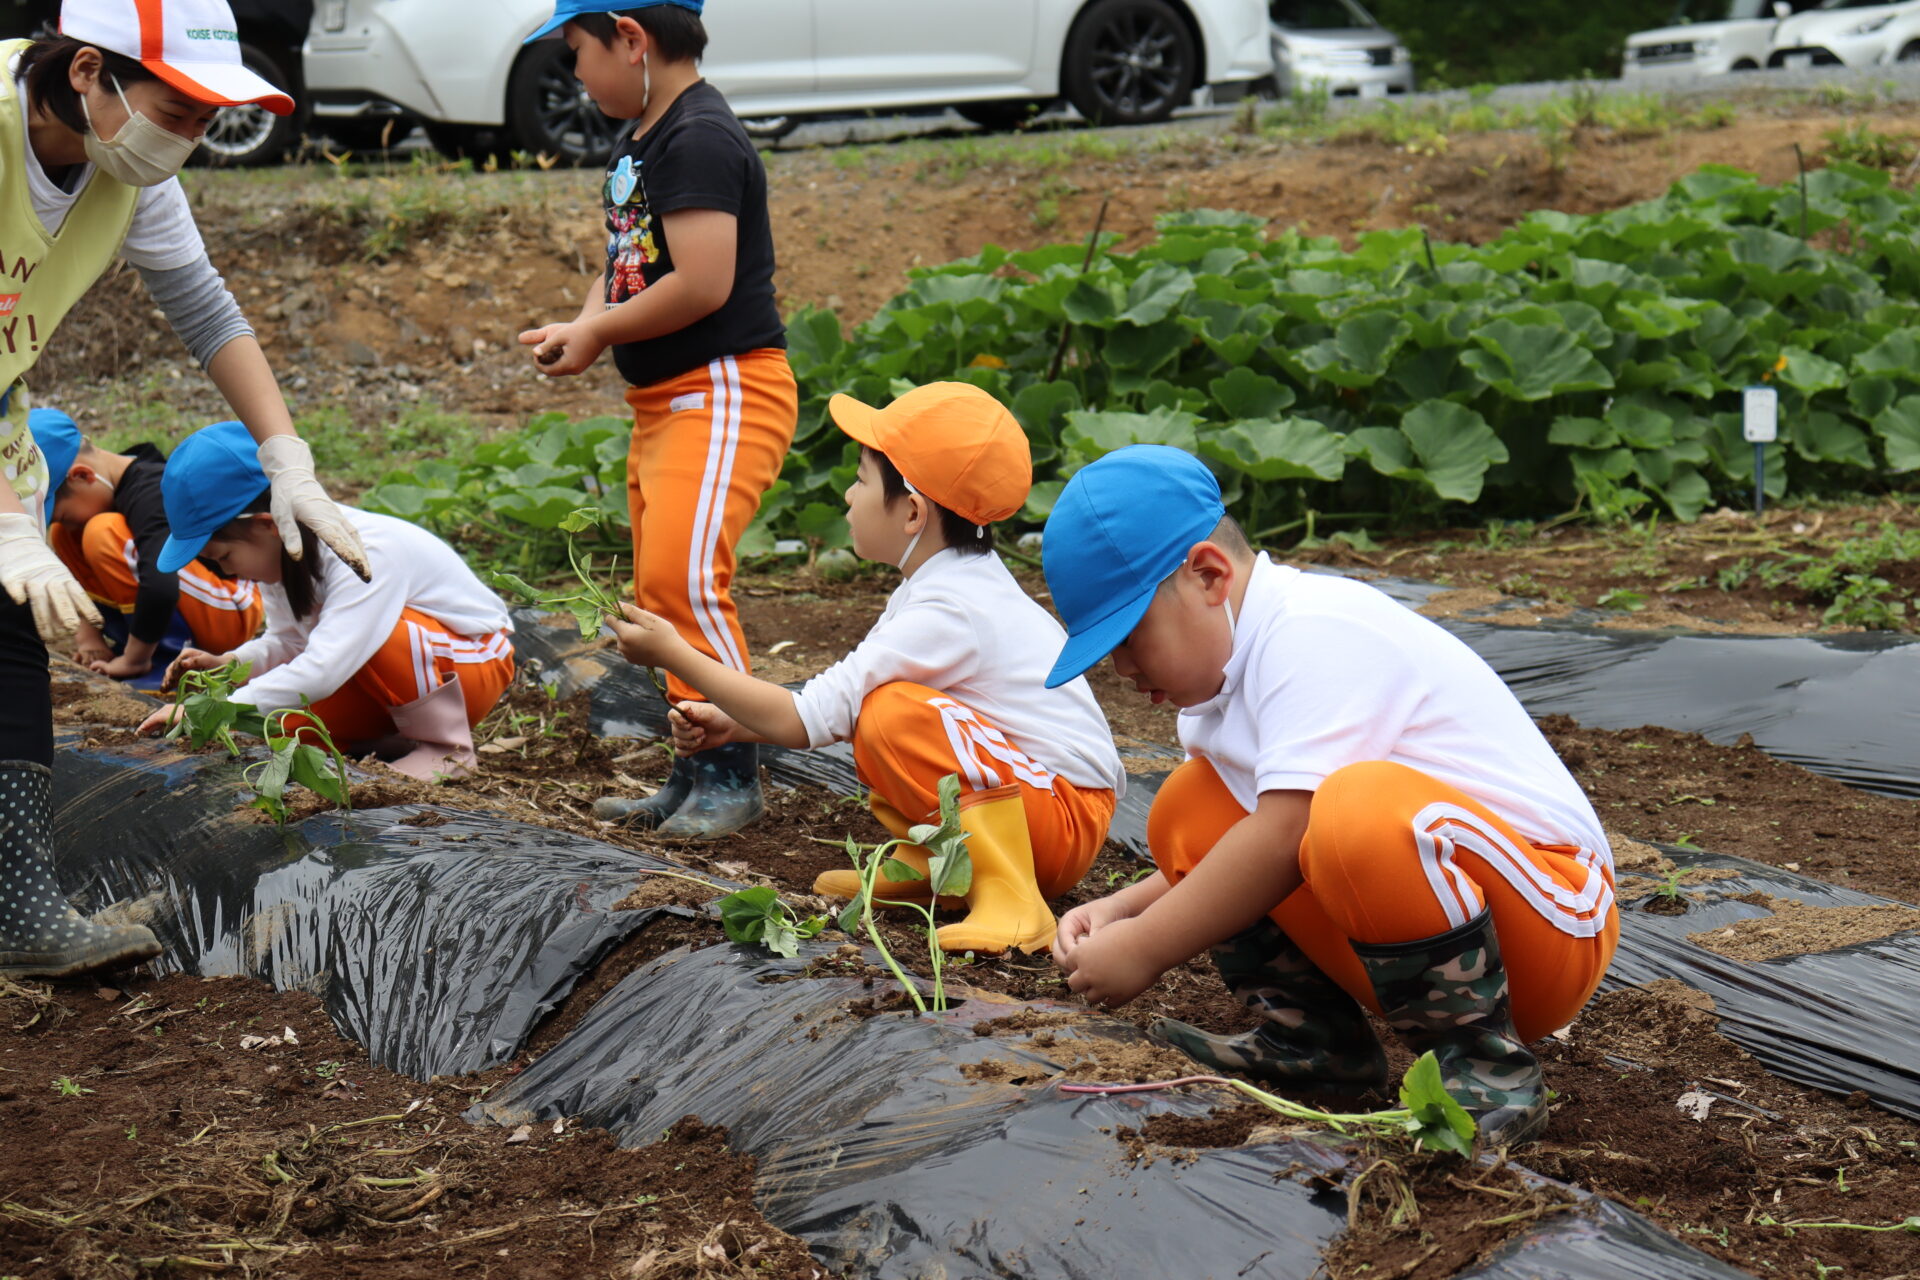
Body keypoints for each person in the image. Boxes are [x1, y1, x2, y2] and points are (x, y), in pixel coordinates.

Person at [1040, 445, 1617, 1146]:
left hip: (1553, 922)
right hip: (1439, 928)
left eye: (1131, 638)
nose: (1123, 668)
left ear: (1209, 574)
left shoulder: (1314, 633)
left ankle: (1490, 1077)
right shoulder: (1222, 687)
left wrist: (1146, 948)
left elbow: (1287, 833)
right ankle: (1315, 1044)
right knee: (1189, 806)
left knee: (1352, 812)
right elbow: (1251, 844)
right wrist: (1123, 907)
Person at [0, 1, 366, 981]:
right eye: (178, 106)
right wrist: (6, 521)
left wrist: (286, 456)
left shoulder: (127, 171)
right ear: (88, 72)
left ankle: (26, 911)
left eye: (211, 116)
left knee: (5, 635)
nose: (192, 135)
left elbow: (206, 311)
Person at [606, 383, 1124, 954]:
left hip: (1059, 818)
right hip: (1044, 808)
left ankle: (1013, 897)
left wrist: (675, 653)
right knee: (884, 709)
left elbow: (806, 718)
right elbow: (830, 707)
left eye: (861, 480)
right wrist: (735, 724)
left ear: (911, 512)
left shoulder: (949, 608)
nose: (849, 496)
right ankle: (939, 871)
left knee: (893, 716)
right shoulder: (946, 585)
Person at [517, 0, 795, 839]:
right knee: (660, 591)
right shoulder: (645, 136)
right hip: (669, 402)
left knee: (685, 588)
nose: (573, 74)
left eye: (576, 52)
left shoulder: (699, 138)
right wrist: (585, 319)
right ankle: (690, 770)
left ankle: (727, 772)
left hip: (723, 391)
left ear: (631, 39)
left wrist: (599, 330)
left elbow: (704, 281)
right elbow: (632, 265)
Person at [134, 423, 513, 783]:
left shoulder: (364, 551)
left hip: (472, 665)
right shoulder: (283, 555)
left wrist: (211, 710)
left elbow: (325, 667)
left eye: (223, 556)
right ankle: (394, 739)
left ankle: (448, 749)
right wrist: (232, 663)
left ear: (269, 525)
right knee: (280, 729)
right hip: (380, 676)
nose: (227, 573)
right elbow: (290, 641)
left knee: (386, 637)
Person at [31, 408, 262, 685]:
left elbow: (161, 586)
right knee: (62, 535)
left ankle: (155, 658)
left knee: (101, 532)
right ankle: (142, 647)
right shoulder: (112, 491)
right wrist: (88, 636)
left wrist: (133, 660)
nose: (67, 524)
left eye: (64, 514)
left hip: (229, 610)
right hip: (189, 604)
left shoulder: (153, 492)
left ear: (83, 476)